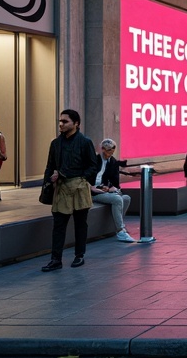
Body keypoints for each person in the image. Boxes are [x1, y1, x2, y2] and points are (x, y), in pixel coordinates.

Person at [42, 109, 100, 271]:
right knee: (59, 224)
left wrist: (83, 179)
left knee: (80, 224)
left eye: (65, 121)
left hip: (79, 187)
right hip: (61, 187)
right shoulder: (55, 143)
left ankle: (79, 255)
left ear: (76, 123)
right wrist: (48, 183)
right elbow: (50, 166)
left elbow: (93, 166)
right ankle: (56, 259)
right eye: (60, 121)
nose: (61, 124)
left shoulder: (84, 142)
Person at [91, 138, 136, 243]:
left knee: (126, 198)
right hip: (93, 191)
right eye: (107, 151)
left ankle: (118, 226)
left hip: (104, 190)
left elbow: (115, 183)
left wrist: (110, 188)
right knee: (117, 199)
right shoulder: (94, 160)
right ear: (102, 149)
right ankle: (120, 230)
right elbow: (87, 179)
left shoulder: (113, 161)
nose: (109, 154)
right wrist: (97, 188)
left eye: (111, 152)